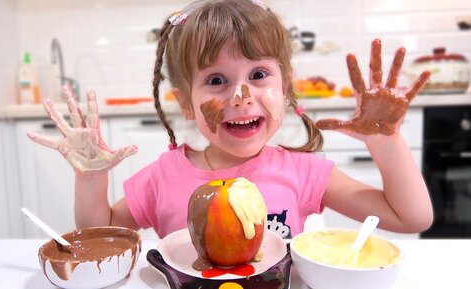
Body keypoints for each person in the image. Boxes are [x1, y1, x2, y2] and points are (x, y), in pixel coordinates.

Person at [28, 0, 433, 239]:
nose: (242, 96)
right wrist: (91, 179)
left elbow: (410, 218)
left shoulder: (305, 172)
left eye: (258, 75)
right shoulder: (164, 177)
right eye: (216, 80)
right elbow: (102, 232)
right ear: (186, 103)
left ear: (285, 86)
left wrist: (386, 143)